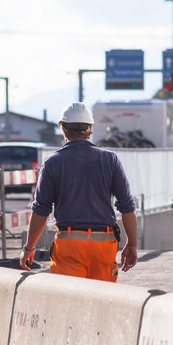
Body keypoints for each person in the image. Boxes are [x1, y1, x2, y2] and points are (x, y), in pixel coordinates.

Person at [19, 102, 138, 282]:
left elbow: (41, 211)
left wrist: (29, 248)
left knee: (68, 303)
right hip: (104, 244)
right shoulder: (110, 160)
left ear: (63, 128)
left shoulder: (52, 163)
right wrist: (132, 244)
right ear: (90, 128)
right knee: (103, 301)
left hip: (68, 243)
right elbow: (127, 207)